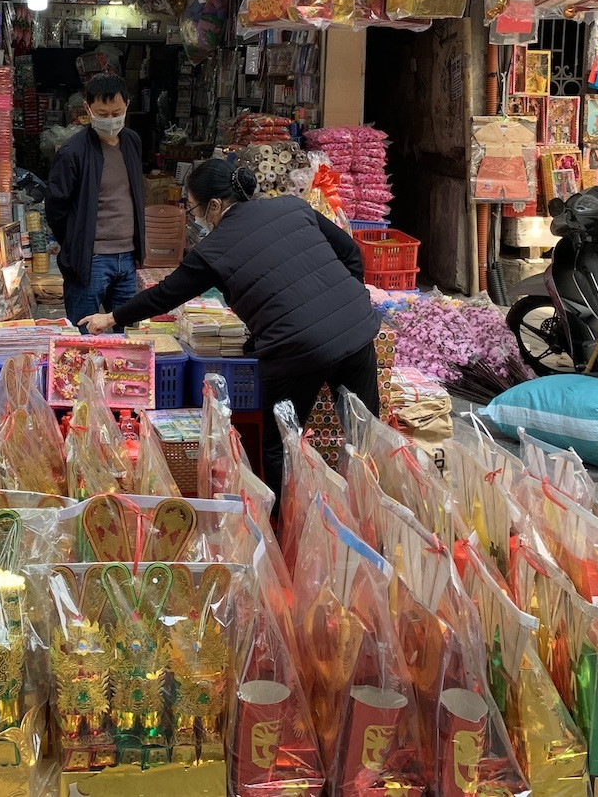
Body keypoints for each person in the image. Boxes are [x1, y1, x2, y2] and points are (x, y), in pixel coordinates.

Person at [81, 158, 380, 500]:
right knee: (367, 435)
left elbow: (164, 295)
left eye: (192, 207)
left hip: (298, 348)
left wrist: (111, 317)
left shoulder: (212, 249)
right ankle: (376, 518)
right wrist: (347, 303)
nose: (193, 217)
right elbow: (351, 253)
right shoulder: (291, 207)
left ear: (214, 205)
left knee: (281, 444)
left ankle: (285, 534)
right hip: (357, 330)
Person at [46, 74, 146, 328]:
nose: (110, 120)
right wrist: (76, 244)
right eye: (102, 113)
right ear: (87, 109)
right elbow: (56, 209)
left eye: (116, 113)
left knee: (126, 337)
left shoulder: (132, 141)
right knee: (83, 335)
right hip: (91, 260)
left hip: (127, 258)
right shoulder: (72, 152)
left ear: (128, 105)